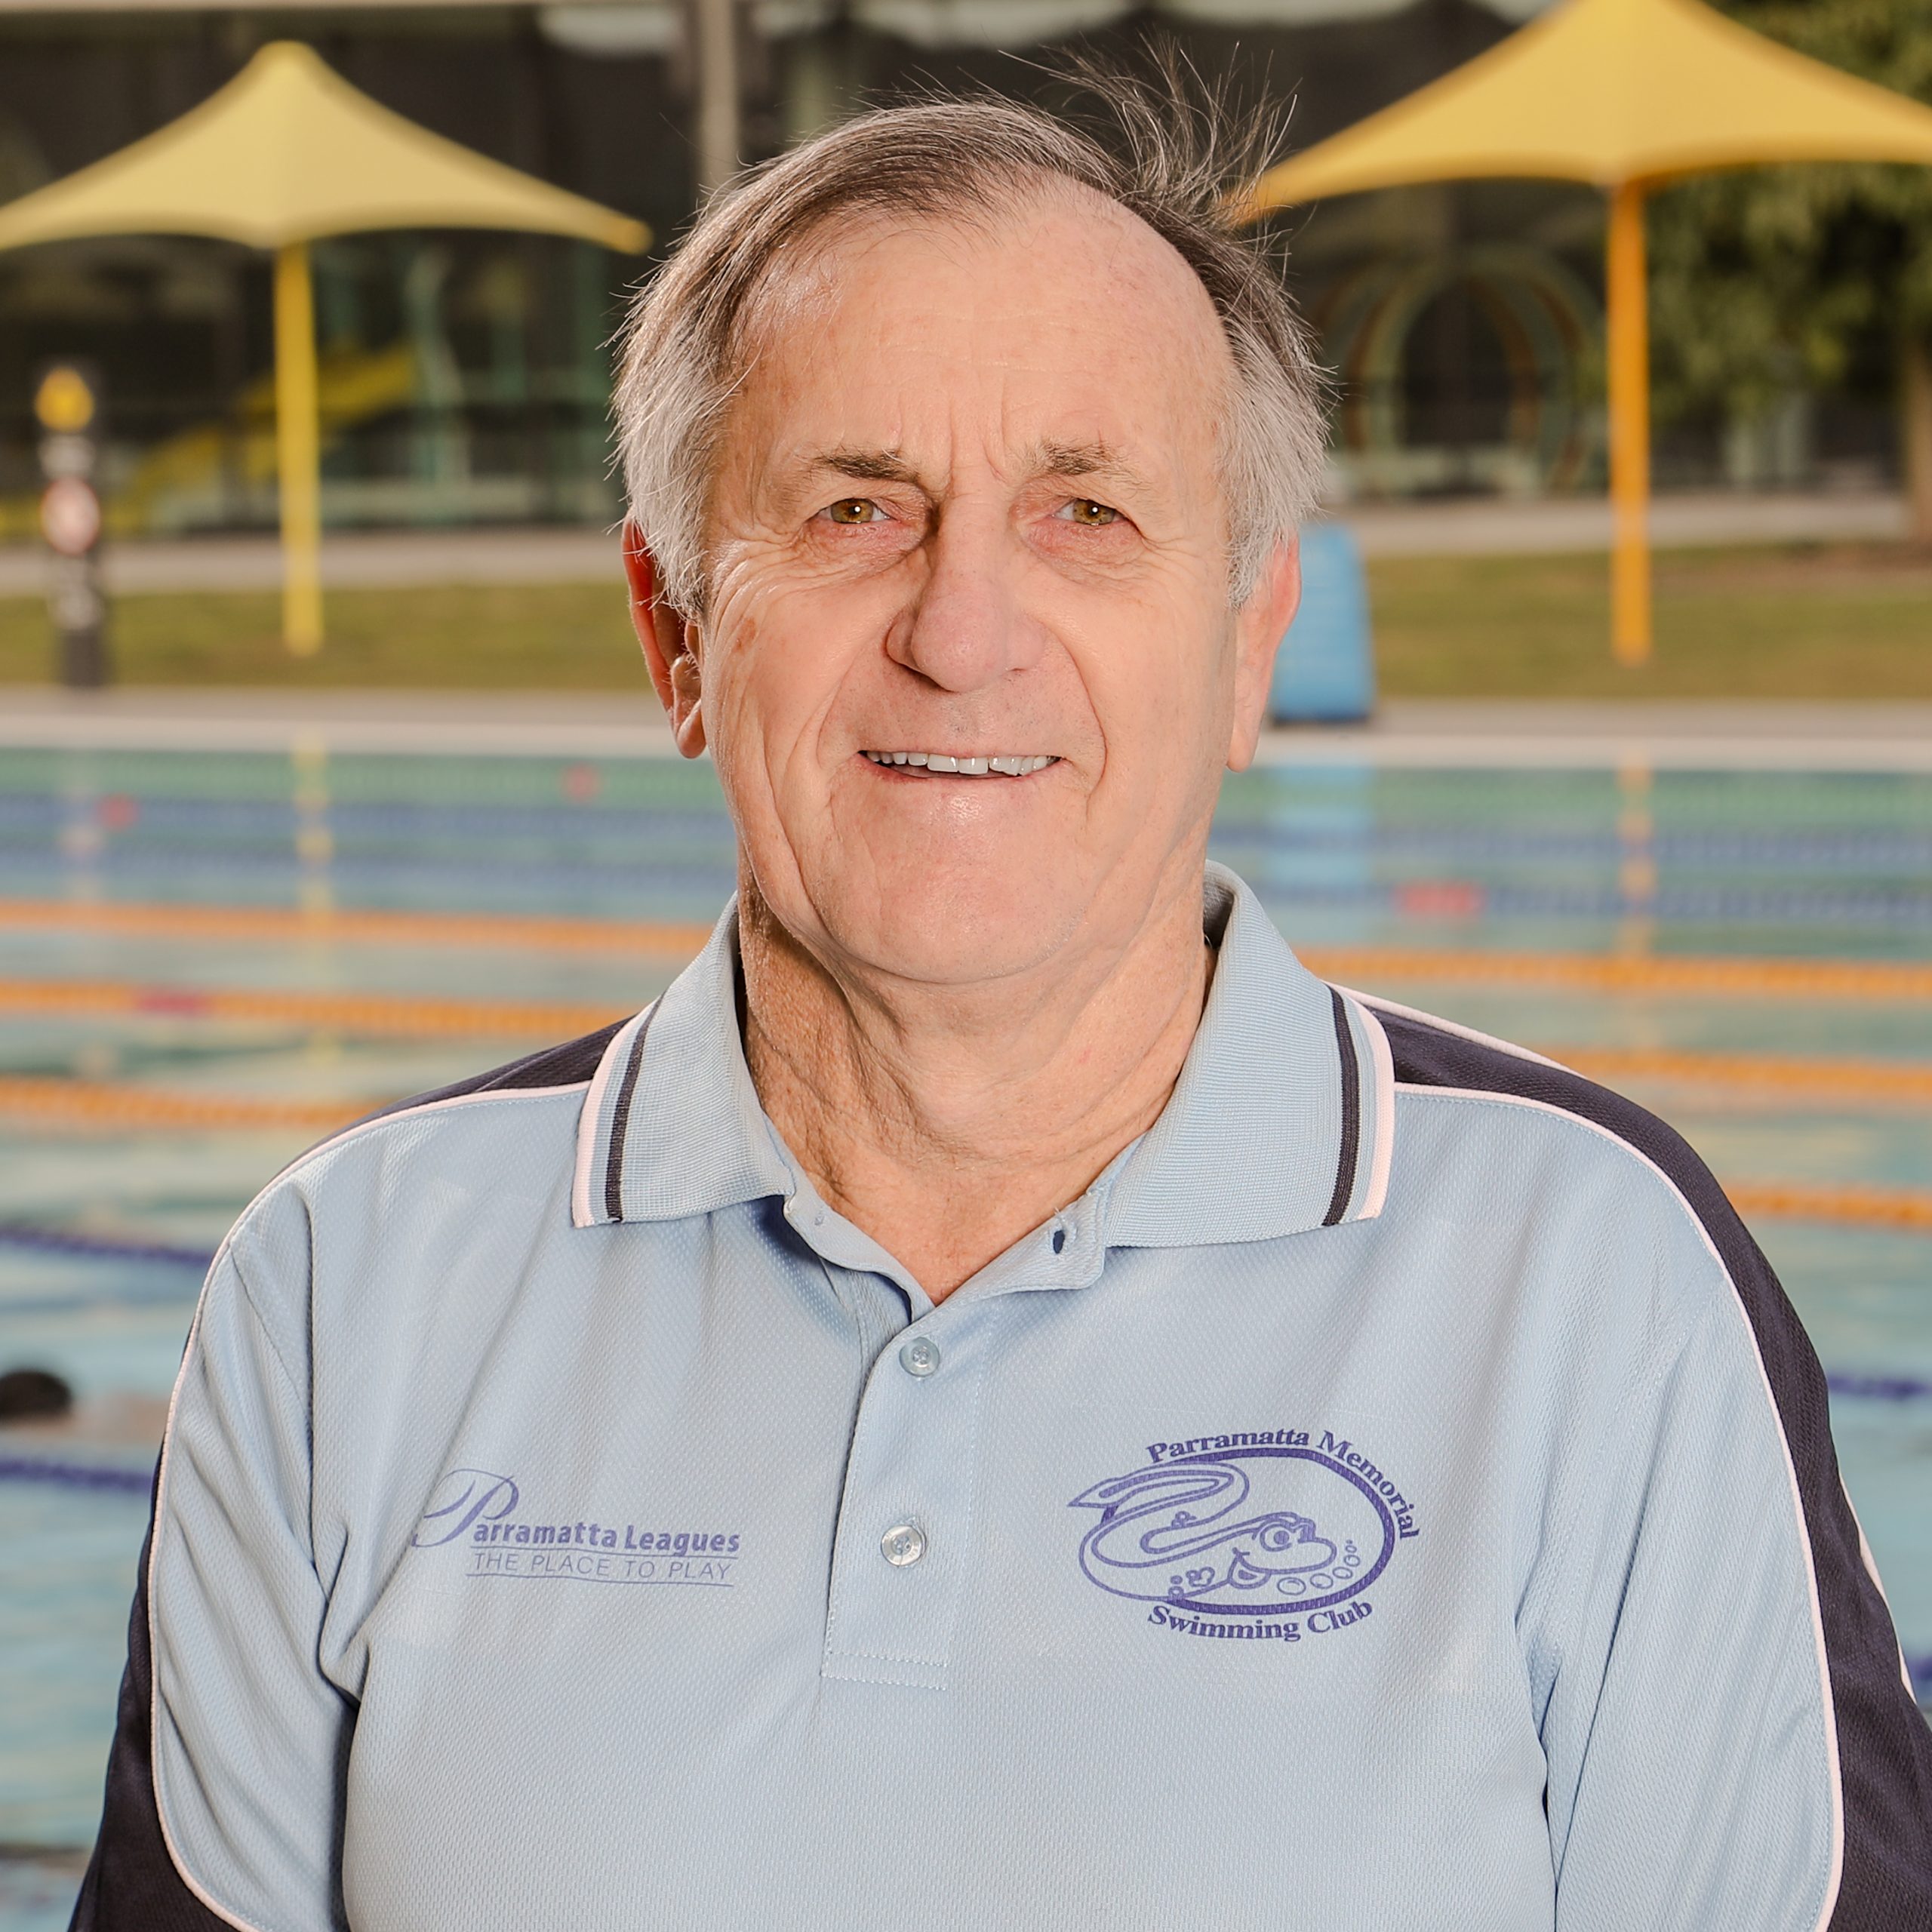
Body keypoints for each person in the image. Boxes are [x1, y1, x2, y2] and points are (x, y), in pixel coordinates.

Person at [73, 78, 1930, 1932]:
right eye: (856, 507)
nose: (962, 632)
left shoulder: (1588, 1270)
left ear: (1247, 640)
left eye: (1087, 511)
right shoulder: (345, 1287)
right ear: (676, 633)